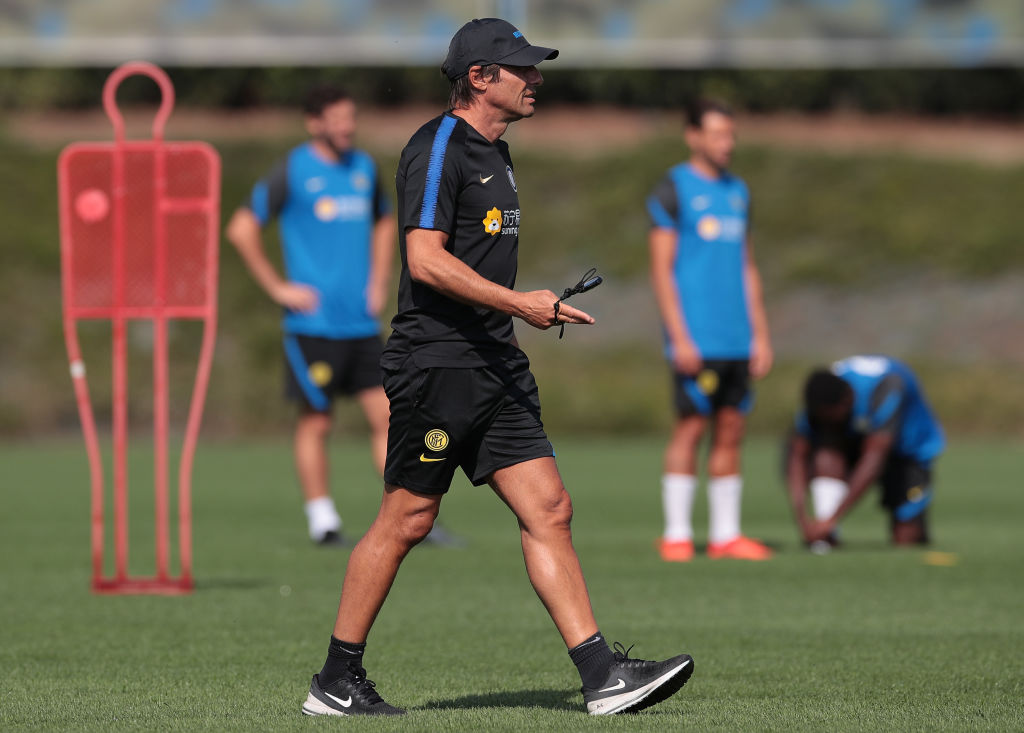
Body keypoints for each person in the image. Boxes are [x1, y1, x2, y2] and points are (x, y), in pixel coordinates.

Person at [300, 18, 693, 718]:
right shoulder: (438, 147)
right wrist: (520, 303)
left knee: (550, 508)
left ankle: (602, 675)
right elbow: (424, 260)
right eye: (522, 68)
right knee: (408, 517)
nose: (535, 78)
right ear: (480, 78)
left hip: (495, 362)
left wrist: (518, 314)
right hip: (437, 364)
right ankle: (336, 678)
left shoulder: (498, 152)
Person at [225, 85, 401, 546]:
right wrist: (278, 287)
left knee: (389, 417)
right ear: (314, 123)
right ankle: (323, 520)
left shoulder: (364, 168)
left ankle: (405, 515)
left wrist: (379, 279)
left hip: (361, 324)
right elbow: (241, 229)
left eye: (351, 117)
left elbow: (385, 220)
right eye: (337, 118)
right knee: (317, 421)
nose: (347, 126)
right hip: (313, 326)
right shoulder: (293, 170)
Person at [647, 98, 774, 562]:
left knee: (732, 428)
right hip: (696, 337)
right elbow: (662, 271)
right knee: (691, 426)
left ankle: (725, 535)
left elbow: (747, 266)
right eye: (718, 134)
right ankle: (677, 534)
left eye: (732, 134)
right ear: (693, 136)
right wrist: (679, 336)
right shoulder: (673, 189)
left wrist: (760, 333)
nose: (727, 143)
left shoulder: (739, 191)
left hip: (736, 336)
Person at [784, 355, 945, 549]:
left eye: (832, 419)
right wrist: (802, 518)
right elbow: (797, 453)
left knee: (906, 537)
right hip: (859, 440)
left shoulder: (888, 386)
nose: (828, 424)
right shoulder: (819, 399)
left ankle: (826, 525)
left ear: (847, 400)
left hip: (908, 453)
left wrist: (833, 519)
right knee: (826, 453)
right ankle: (824, 539)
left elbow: (875, 458)